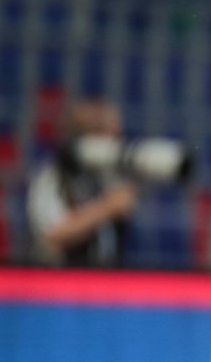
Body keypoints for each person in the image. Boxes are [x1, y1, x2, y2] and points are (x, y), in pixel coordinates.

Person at [26, 99, 137, 266]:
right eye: (106, 134)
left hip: (105, 275)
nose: (114, 143)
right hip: (62, 276)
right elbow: (52, 234)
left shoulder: (107, 177)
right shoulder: (54, 176)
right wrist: (107, 207)